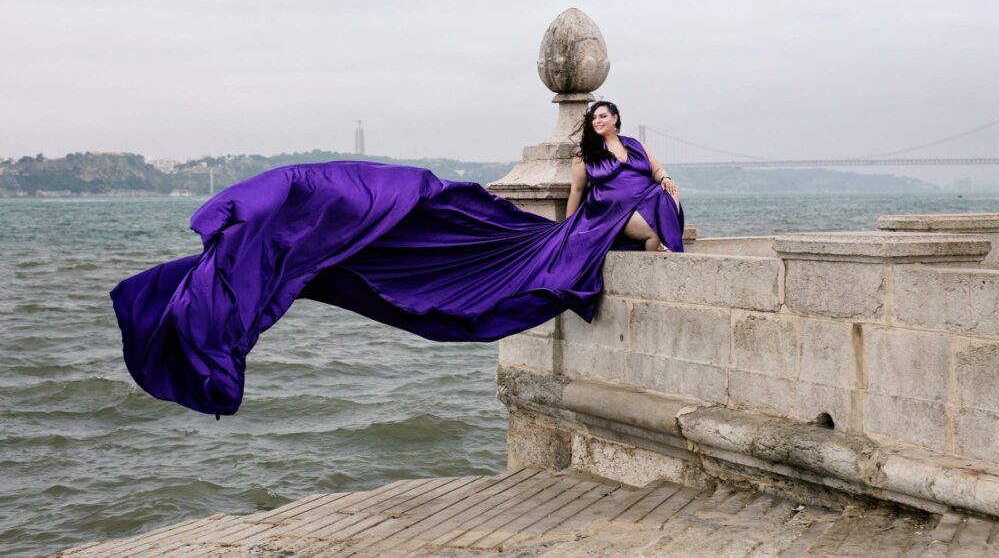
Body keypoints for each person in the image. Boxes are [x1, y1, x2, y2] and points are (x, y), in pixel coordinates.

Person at [111, 102, 684, 416]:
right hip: (388, 205)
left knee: (337, 249)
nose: (602, 122)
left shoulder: (634, 150)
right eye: (597, 118)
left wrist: (659, 188)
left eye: (607, 116)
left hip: (374, 205)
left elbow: (656, 179)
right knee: (339, 239)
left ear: (616, 120)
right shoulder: (583, 163)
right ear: (590, 125)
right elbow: (575, 208)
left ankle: (213, 294)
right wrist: (558, 236)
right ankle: (202, 299)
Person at [567, 101, 681, 252]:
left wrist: (665, 178)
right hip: (612, 212)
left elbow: (657, 170)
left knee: (671, 190)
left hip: (645, 200)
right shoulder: (585, 153)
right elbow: (577, 189)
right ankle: (651, 271)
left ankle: (668, 250)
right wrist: (567, 226)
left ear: (615, 118)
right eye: (594, 118)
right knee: (653, 232)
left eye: (602, 116)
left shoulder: (635, 144)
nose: (597, 121)